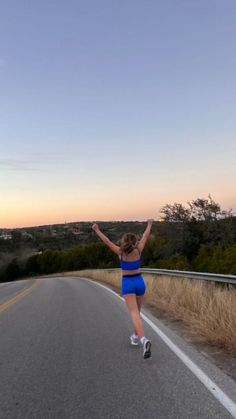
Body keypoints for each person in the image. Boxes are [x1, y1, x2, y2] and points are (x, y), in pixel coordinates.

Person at [92, 219, 153, 359]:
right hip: (139, 281)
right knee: (137, 312)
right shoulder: (139, 250)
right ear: (134, 241)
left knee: (134, 313)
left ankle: (144, 340)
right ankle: (135, 337)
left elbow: (107, 241)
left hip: (128, 283)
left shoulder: (120, 252)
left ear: (124, 241)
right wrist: (149, 224)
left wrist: (97, 230)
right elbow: (145, 236)